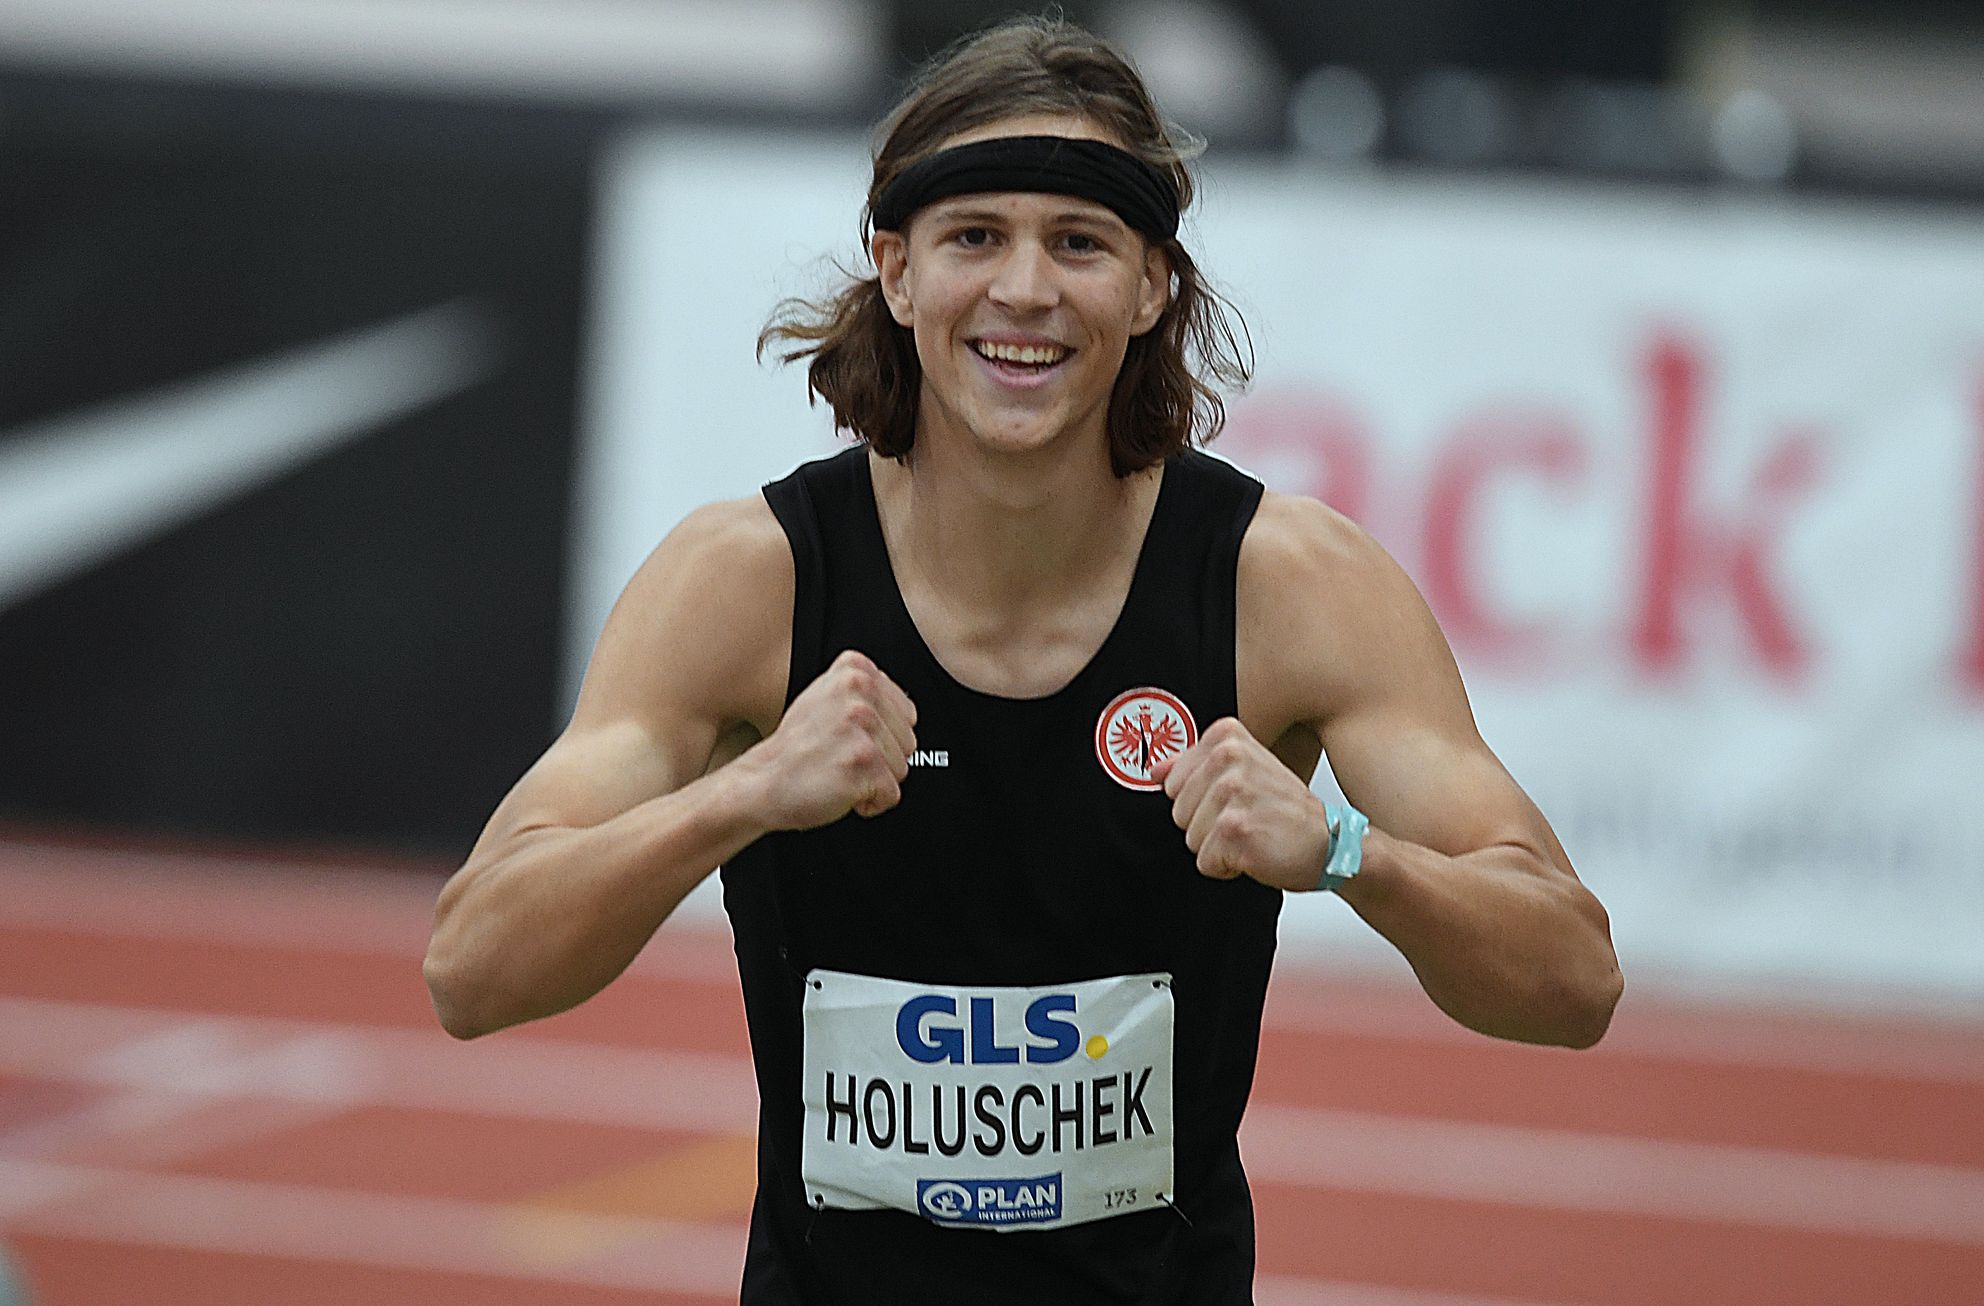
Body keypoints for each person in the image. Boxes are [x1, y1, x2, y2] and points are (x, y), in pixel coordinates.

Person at [423, 16, 1622, 1304]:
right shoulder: (748, 583)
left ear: (1151, 287)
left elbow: (1574, 979)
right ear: (897, 271)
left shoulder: (1288, 588)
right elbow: (471, 969)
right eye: (976, 237)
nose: (1027, 291)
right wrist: (743, 795)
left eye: (1081, 243)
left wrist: (1342, 851)